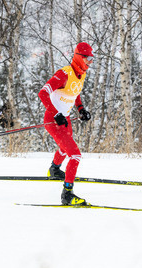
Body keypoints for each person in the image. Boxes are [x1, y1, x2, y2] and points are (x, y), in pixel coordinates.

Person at [38, 42, 93, 205]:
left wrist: (81, 109)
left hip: (65, 119)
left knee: (64, 148)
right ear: (79, 58)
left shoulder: (80, 75)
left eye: (92, 59)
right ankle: (67, 194)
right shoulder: (64, 74)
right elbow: (42, 93)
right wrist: (56, 114)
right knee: (75, 155)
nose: (90, 62)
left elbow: (74, 92)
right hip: (53, 120)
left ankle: (54, 169)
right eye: (88, 59)